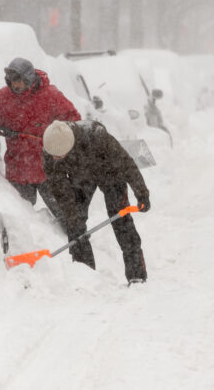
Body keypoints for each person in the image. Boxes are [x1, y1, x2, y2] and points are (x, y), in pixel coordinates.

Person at [41, 120, 150, 284]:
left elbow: (127, 164)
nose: (54, 159)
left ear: (70, 147)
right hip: (81, 179)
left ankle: (136, 275)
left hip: (110, 174)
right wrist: (73, 216)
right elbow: (59, 188)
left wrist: (142, 193)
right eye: (53, 156)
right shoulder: (50, 150)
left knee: (121, 220)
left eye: (59, 156)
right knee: (74, 225)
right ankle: (84, 275)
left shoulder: (97, 137)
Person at [0, 57, 81, 214]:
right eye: (12, 81)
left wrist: (61, 141)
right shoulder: (3, 97)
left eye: (19, 80)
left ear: (28, 78)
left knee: (66, 215)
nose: (15, 85)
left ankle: (76, 236)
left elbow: (73, 121)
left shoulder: (50, 96)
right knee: (22, 218)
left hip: (49, 168)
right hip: (18, 169)